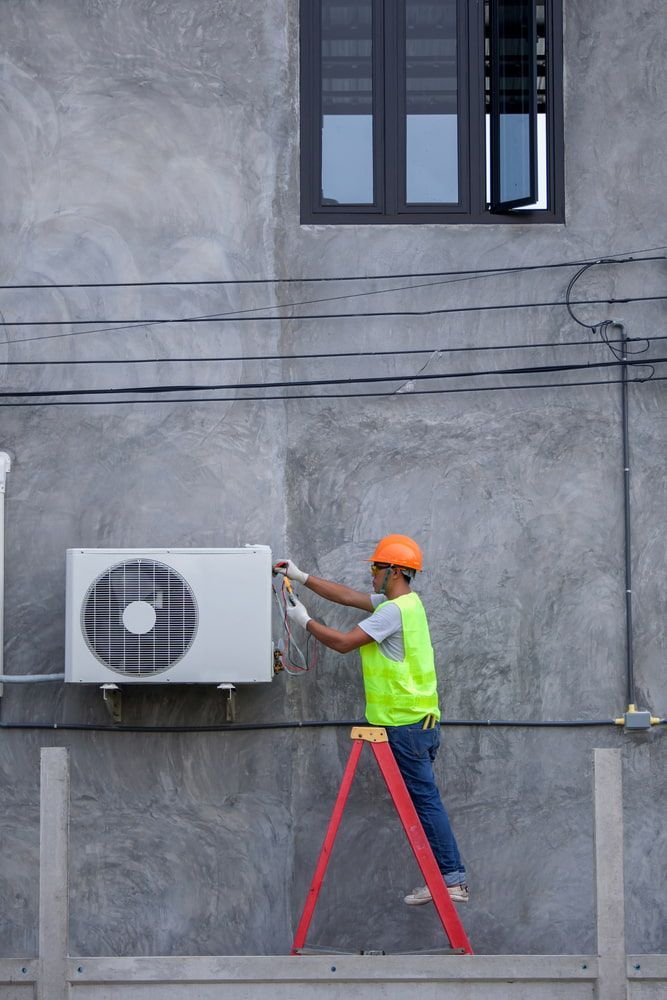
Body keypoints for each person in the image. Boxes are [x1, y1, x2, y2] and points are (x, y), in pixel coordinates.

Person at [273, 534, 468, 905]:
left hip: (406, 725)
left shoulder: (392, 612)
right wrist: (301, 577)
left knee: (425, 803)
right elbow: (348, 597)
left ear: (394, 571)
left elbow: (345, 643)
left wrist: (305, 621)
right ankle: (448, 877)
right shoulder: (405, 604)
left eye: (376, 567)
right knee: (423, 801)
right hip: (419, 723)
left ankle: (451, 879)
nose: (371, 573)